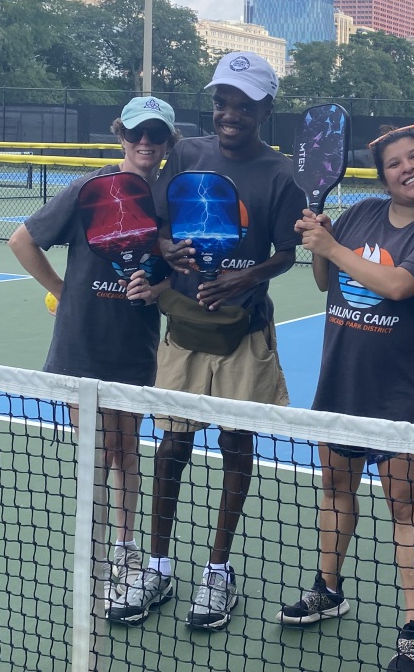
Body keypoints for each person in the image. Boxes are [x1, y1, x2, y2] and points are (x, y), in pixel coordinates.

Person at [108, 52, 305, 631]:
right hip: (184, 328)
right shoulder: (188, 153)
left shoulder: (283, 173)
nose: (230, 114)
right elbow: (159, 222)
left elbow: (290, 253)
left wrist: (249, 275)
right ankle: (159, 563)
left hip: (244, 333)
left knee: (235, 446)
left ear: (265, 109)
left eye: (243, 105)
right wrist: (166, 249)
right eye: (223, 102)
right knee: (171, 447)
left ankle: (218, 570)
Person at [275, 124, 414, 672]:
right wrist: (320, 241)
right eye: (394, 163)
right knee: (335, 490)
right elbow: (322, 281)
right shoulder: (359, 214)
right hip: (341, 379)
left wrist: (331, 245)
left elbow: (400, 286)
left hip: (402, 389)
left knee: (404, 504)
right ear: (383, 176)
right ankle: (328, 589)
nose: (408, 168)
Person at [8, 96, 179, 609]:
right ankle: (100, 549)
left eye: (155, 134)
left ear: (168, 142)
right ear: (120, 137)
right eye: (135, 134)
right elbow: (22, 240)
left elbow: (176, 266)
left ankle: (126, 552)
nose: (144, 143)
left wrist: (159, 285)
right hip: (82, 343)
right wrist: (64, 291)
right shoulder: (88, 189)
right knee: (98, 454)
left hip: (135, 346)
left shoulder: (169, 200)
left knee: (125, 450)